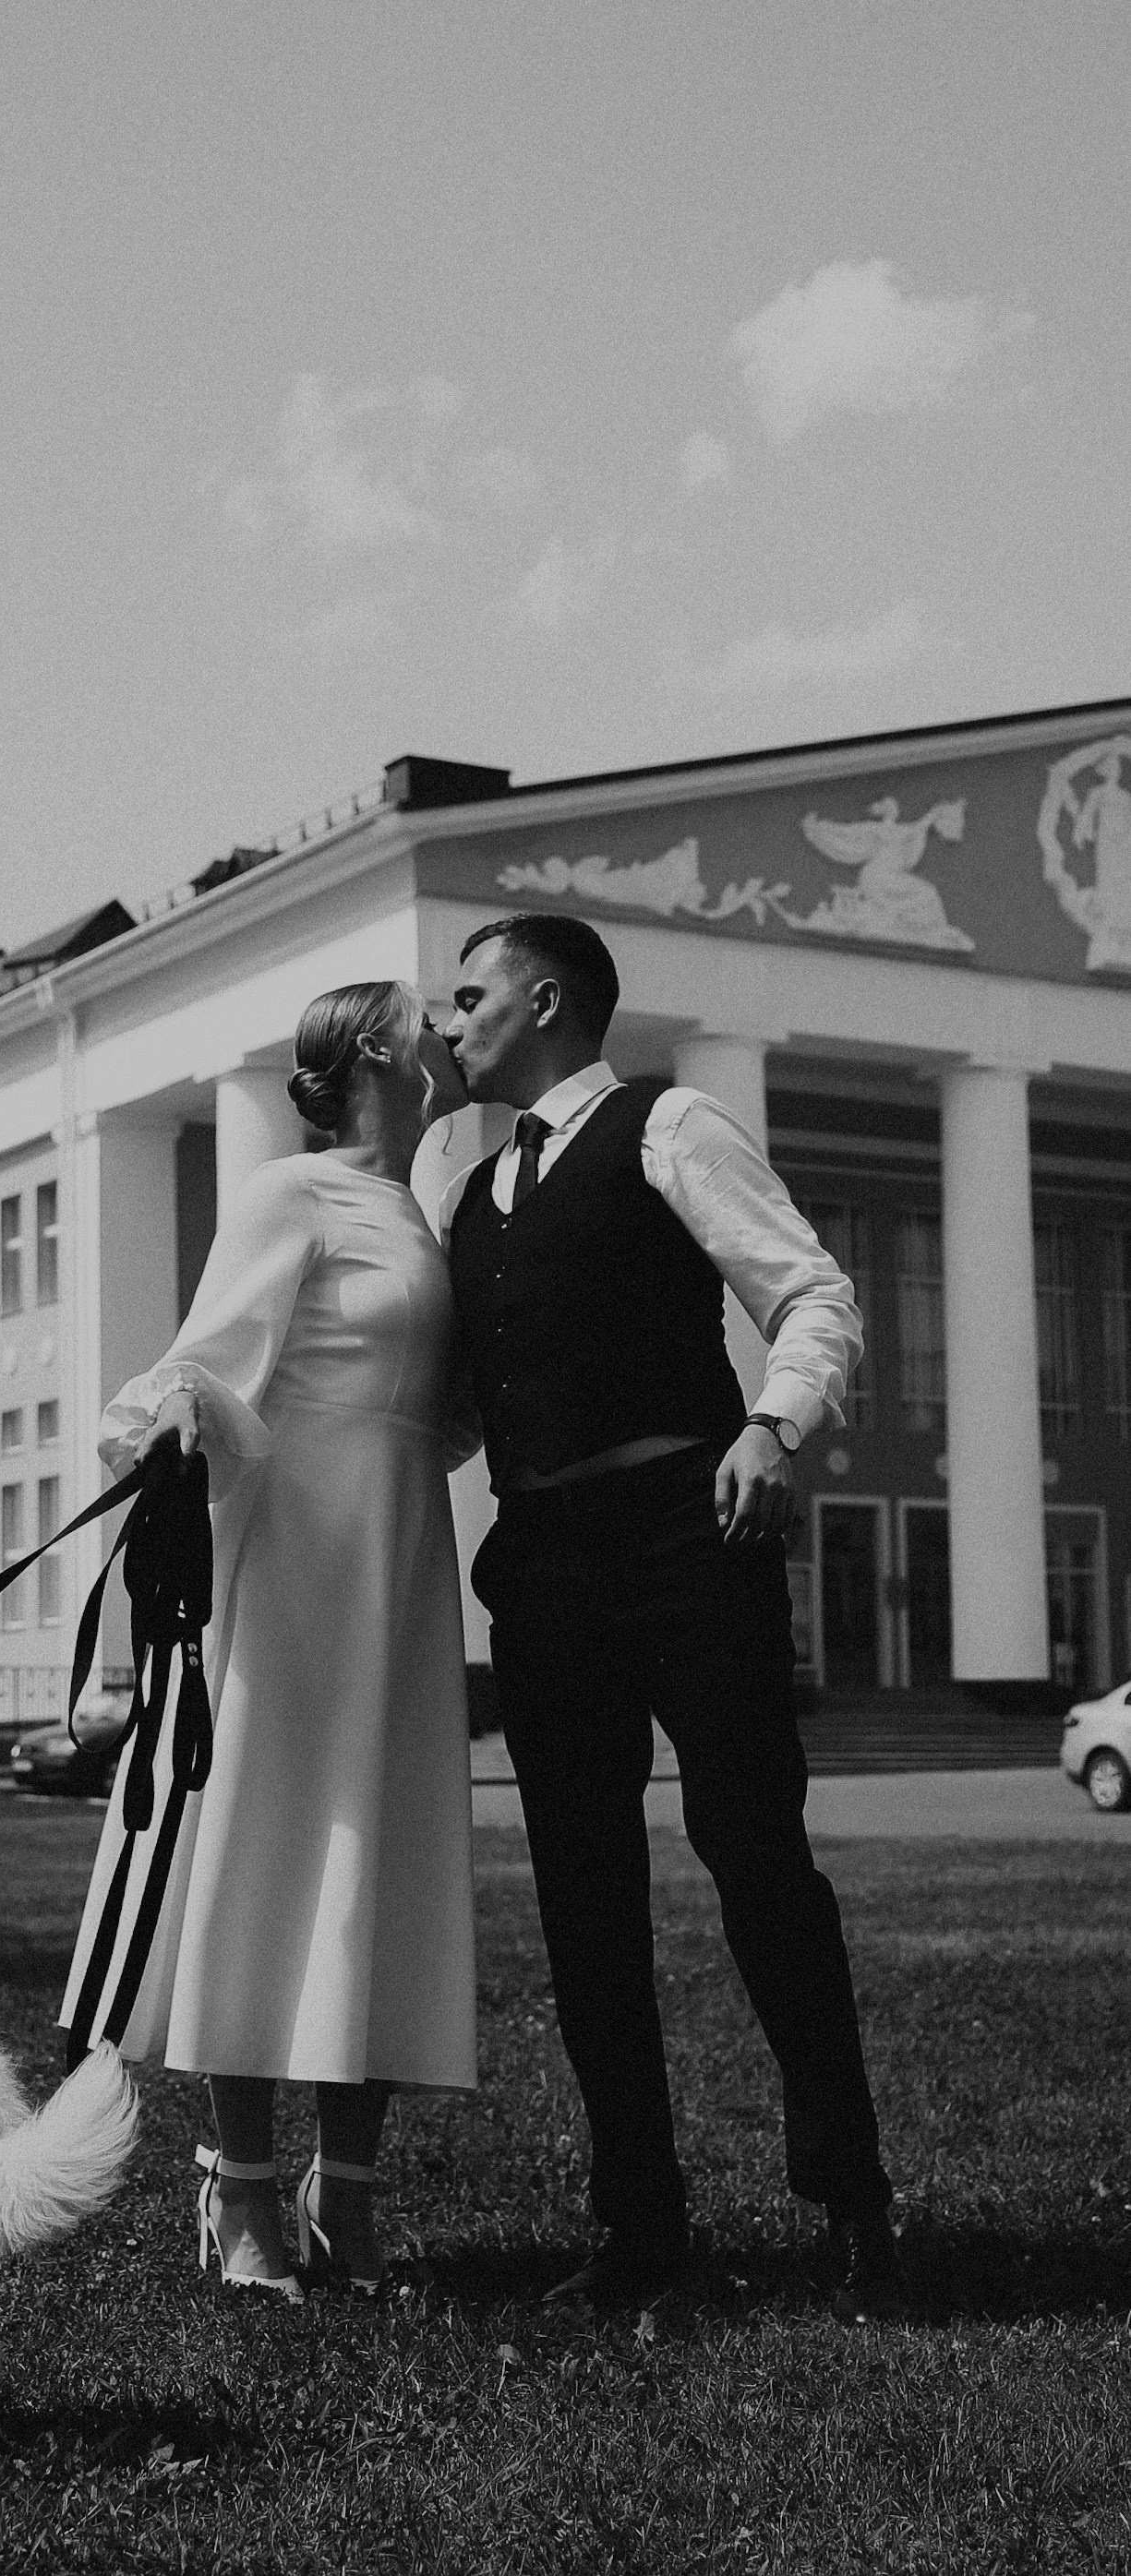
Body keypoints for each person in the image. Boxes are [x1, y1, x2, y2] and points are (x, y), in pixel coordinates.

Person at [439, 912, 902, 2319]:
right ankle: (640, 2232)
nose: (449, 1022)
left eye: (469, 996)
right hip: (545, 1568)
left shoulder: (669, 1125)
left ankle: (851, 2202)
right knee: (584, 1898)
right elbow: (462, 1414)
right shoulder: (472, 1193)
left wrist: (772, 1425)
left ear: (546, 1001)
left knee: (755, 1853)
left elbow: (811, 1293)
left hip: (689, 1537)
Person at [60, 979, 479, 2295]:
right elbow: (202, 1363)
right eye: (430, 1013)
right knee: (262, 1847)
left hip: (399, 1563)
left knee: (383, 1859)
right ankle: (241, 2190)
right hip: (294, 1561)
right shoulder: (289, 1192)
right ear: (376, 1053)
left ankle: (346, 2191)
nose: (455, 1025)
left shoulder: (431, 1213)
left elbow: (447, 1419)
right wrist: (177, 1417)